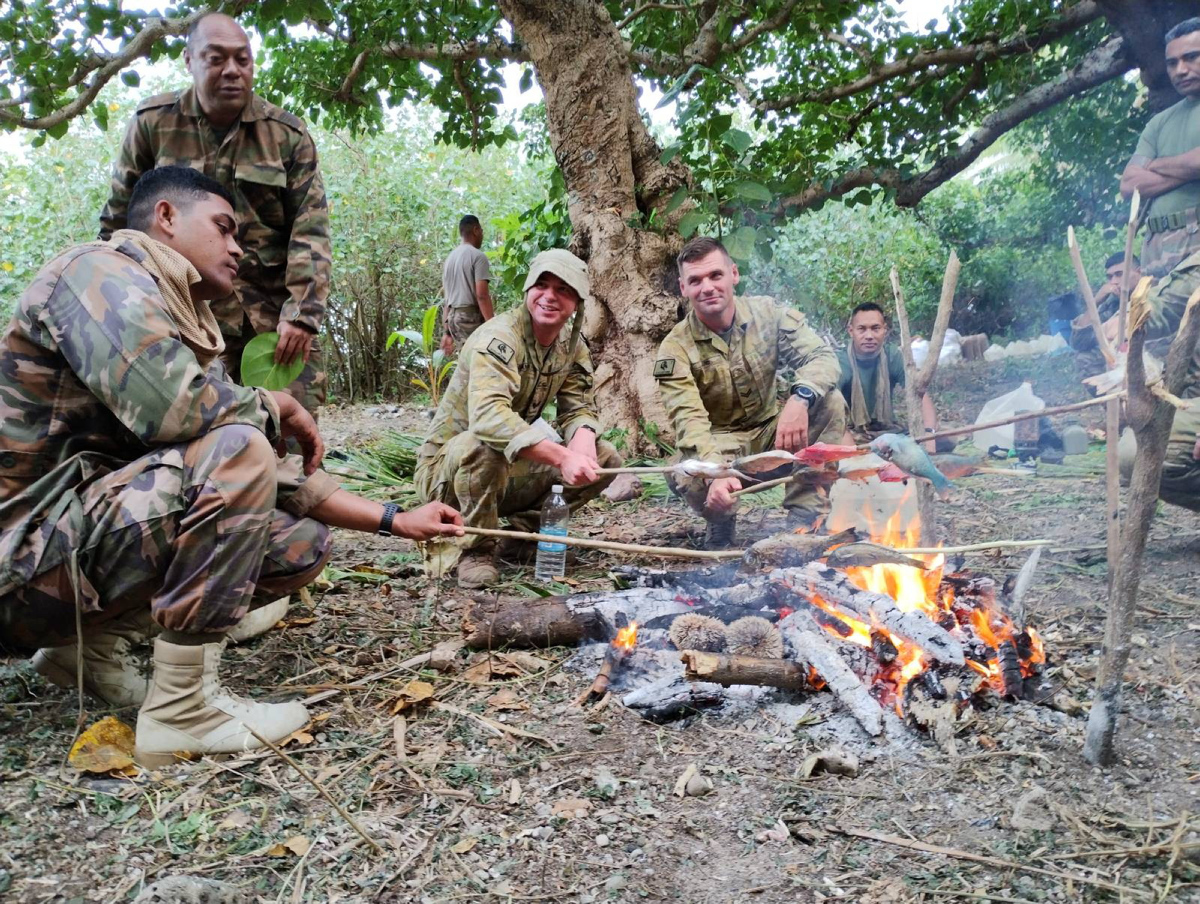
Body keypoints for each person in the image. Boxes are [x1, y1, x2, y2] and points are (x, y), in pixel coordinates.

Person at [0, 167, 462, 765]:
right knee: (241, 444)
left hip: (64, 556)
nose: (238, 247)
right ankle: (183, 712)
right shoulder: (97, 275)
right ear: (165, 217)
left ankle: (89, 649)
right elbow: (184, 415)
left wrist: (397, 520)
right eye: (223, 228)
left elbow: (270, 473)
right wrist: (271, 404)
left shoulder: (176, 317)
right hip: (20, 563)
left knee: (298, 543)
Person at [98, 12, 331, 418]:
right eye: (217, 58)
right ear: (189, 60)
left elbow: (310, 231)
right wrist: (122, 312)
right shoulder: (153, 124)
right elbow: (119, 226)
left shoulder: (287, 135)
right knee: (191, 438)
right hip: (178, 317)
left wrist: (303, 316)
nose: (232, 71)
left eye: (243, 60)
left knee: (292, 436)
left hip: (273, 322)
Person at [415, 249, 622, 588]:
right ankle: (477, 548)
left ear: (577, 303)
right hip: (447, 478)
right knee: (484, 444)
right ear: (528, 289)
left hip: (502, 473)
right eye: (542, 285)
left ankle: (522, 539)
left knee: (606, 456)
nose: (550, 296)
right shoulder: (498, 338)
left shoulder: (571, 347)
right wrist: (563, 455)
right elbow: (489, 419)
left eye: (564, 289)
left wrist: (583, 438)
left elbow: (580, 406)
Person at [654, 237, 846, 547]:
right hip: (719, 447)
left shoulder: (768, 314)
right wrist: (715, 471)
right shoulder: (674, 348)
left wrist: (800, 399)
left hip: (774, 437)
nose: (707, 287)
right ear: (683, 288)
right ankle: (720, 522)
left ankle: (804, 521)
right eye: (696, 280)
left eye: (715, 275)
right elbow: (689, 421)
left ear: (733, 274)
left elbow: (822, 358)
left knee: (830, 402)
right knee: (688, 470)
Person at [1121, 18, 1200, 279]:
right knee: (1148, 317)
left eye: (1191, 57)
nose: (1181, 70)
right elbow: (1129, 185)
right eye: (1172, 63)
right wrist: (1187, 167)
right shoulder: (1159, 123)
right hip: (1155, 249)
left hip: (1197, 240)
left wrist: (1154, 165)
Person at [836, 302, 938, 446]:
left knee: (947, 439)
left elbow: (919, 394)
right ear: (851, 331)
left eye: (875, 328)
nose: (869, 336)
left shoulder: (892, 356)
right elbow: (829, 410)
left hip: (887, 431)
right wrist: (851, 454)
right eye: (862, 329)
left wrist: (929, 434)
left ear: (885, 330)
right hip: (851, 432)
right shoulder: (840, 361)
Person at [441, 215, 494, 354]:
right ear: (476, 230)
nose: (482, 234)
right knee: (481, 360)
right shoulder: (478, 256)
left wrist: (447, 332)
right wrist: (493, 325)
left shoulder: (450, 259)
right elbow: (482, 295)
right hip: (469, 318)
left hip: (454, 319)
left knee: (467, 360)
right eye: (481, 230)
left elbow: (447, 299)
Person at [1069, 253, 1143, 351]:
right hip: (1116, 357)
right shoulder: (1113, 302)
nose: (1113, 282)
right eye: (1110, 277)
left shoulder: (1151, 297)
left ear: (1139, 272)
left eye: (1119, 274)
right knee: (1084, 357)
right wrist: (1096, 301)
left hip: (1144, 355)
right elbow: (1078, 342)